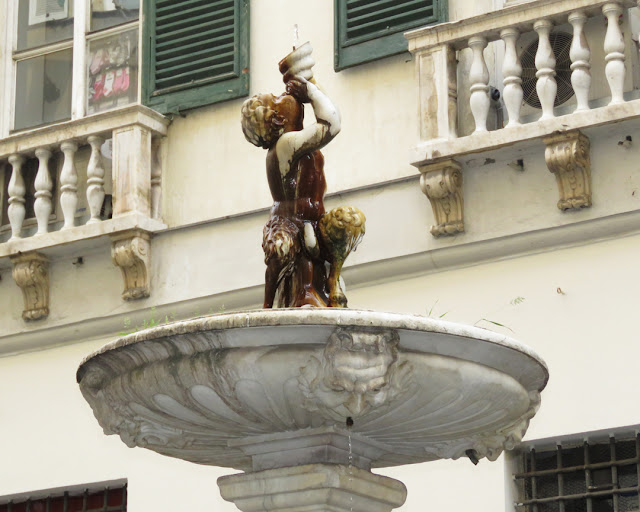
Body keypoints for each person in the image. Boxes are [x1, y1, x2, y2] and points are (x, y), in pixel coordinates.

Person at [242, 75, 364, 308]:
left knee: (351, 221)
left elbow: (330, 112)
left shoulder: (291, 142)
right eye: (277, 99)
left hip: (311, 218)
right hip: (293, 222)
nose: (284, 96)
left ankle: (332, 280)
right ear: (276, 119)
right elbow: (331, 125)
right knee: (303, 261)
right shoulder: (286, 144)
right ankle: (307, 293)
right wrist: (312, 93)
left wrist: (312, 83)